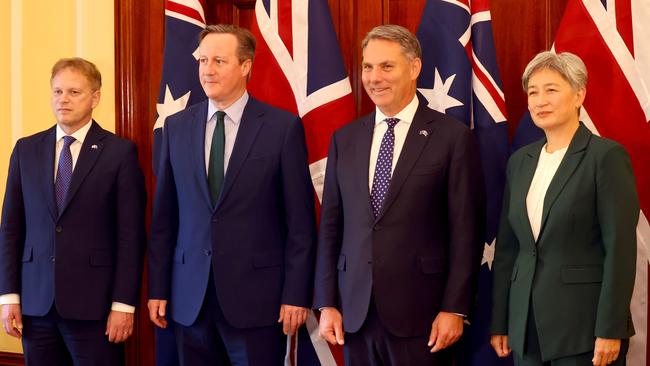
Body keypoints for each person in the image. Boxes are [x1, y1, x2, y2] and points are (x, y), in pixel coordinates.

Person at [313, 24, 486, 365]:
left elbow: (467, 231)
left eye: (386, 66)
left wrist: (454, 307)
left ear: (414, 68)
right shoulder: (345, 139)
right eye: (367, 67)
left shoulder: (452, 138)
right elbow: (331, 226)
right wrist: (326, 301)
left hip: (423, 316)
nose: (374, 77)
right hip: (355, 314)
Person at [147, 24, 316, 365]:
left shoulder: (282, 128)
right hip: (188, 300)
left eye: (219, 61)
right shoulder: (176, 128)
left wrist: (296, 294)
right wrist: (158, 288)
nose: (207, 70)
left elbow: (300, 224)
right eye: (203, 60)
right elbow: (165, 218)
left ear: (246, 66)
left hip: (257, 301)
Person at [490, 51, 638, 366]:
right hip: (526, 327)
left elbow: (620, 250)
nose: (539, 100)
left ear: (579, 94)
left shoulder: (605, 157)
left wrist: (610, 328)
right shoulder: (520, 162)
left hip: (583, 330)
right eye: (533, 92)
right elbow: (508, 249)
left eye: (551, 89)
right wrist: (501, 321)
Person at [0, 57, 146, 366]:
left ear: (95, 98)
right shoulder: (26, 150)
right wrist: (9, 296)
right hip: (36, 307)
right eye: (57, 92)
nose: (63, 99)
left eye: (74, 92)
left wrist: (124, 305)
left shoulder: (119, 153)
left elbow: (130, 237)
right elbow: (11, 229)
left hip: (95, 308)